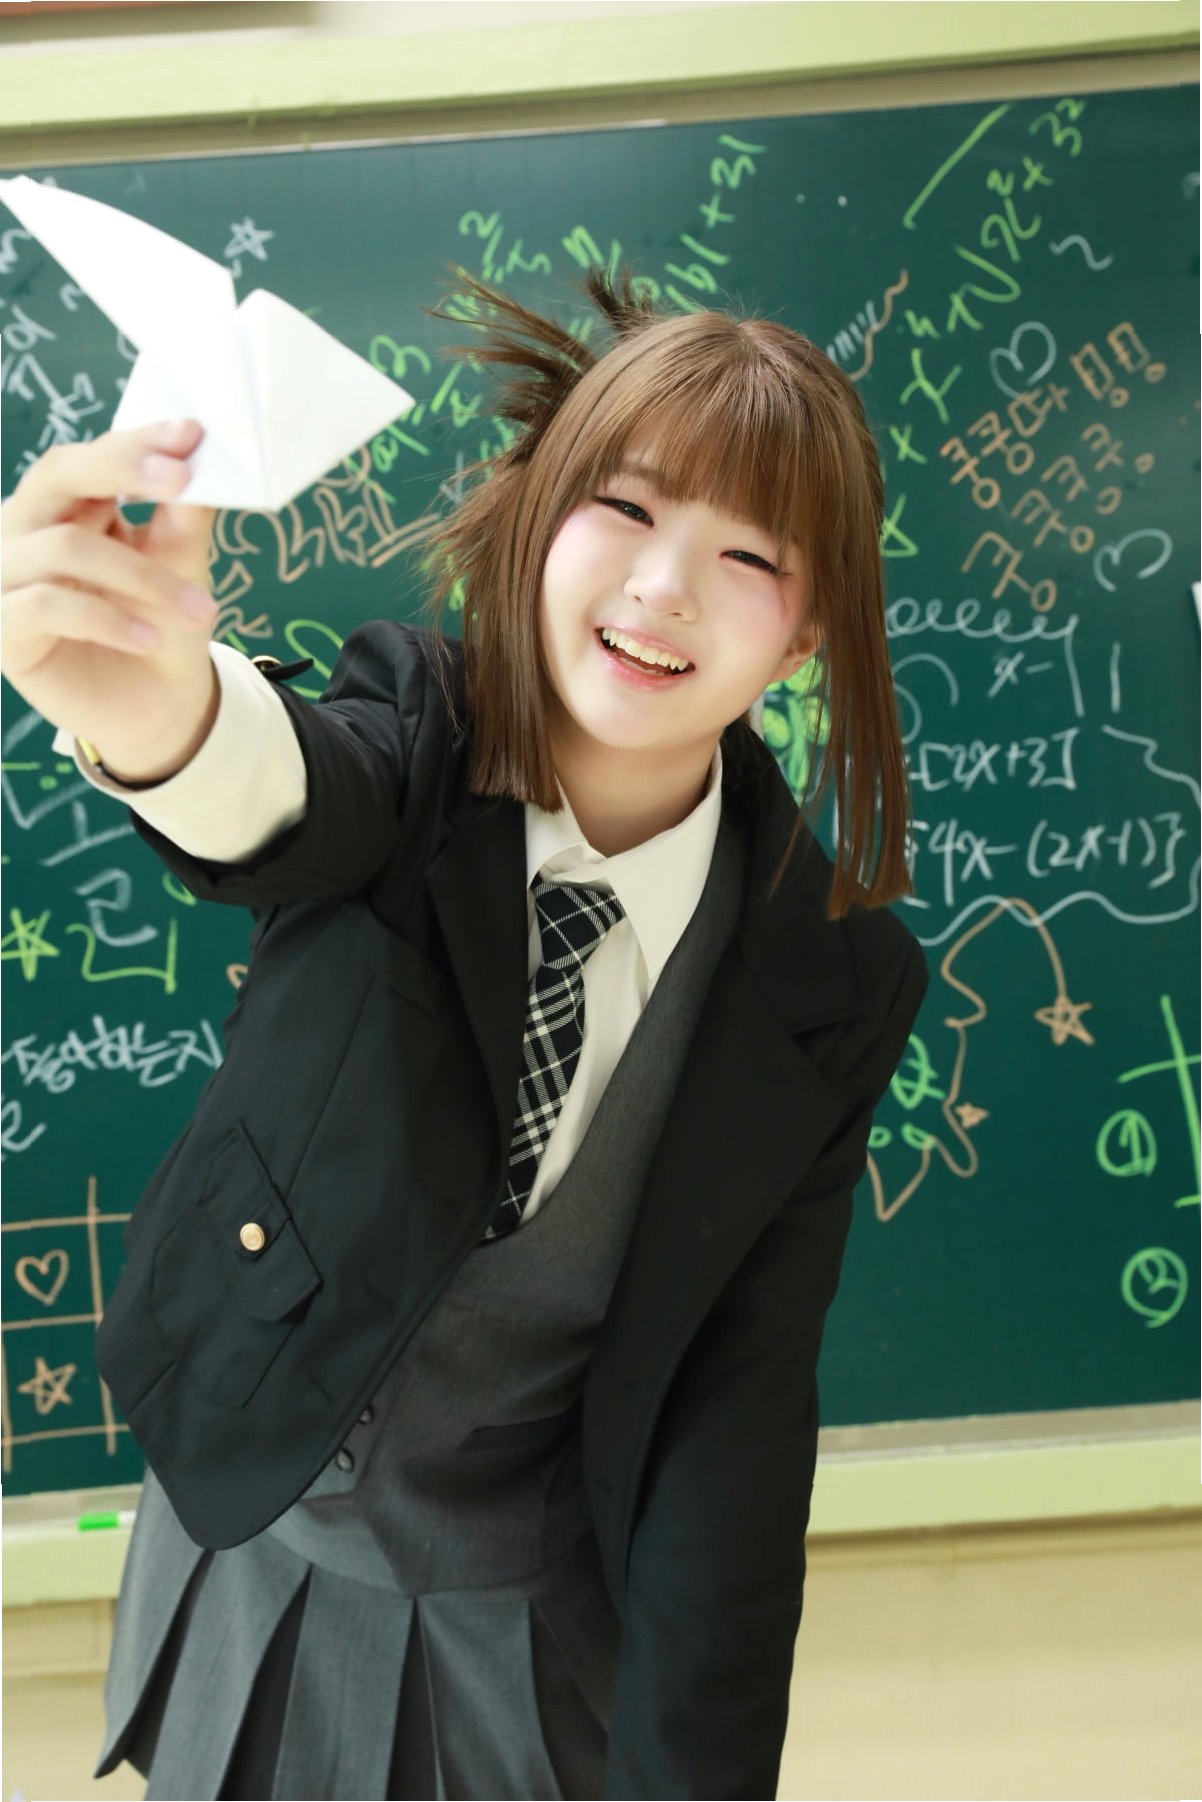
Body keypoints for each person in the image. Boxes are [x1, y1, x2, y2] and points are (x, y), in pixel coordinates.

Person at [0, 264, 928, 1801]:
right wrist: (152, 712)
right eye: (623, 507)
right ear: (540, 513)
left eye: (747, 554)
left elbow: (738, 1409)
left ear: (807, 634)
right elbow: (281, 786)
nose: (662, 588)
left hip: (524, 1606)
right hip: (253, 1514)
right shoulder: (416, 733)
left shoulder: (828, 977)